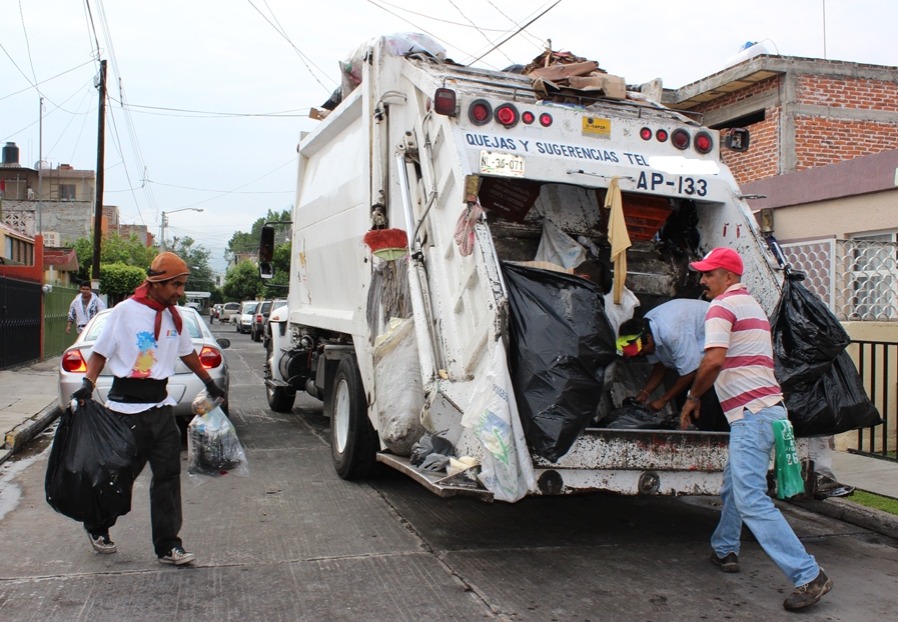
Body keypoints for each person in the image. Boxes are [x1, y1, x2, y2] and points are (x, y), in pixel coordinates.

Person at [679, 247, 831, 611]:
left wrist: (692, 396)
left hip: (751, 414)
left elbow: (713, 360)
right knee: (736, 485)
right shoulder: (752, 306)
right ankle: (725, 548)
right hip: (769, 412)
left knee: (750, 498)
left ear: (728, 277)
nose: (702, 280)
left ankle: (809, 574)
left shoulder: (721, 307)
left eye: (708, 273)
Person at [71, 252, 227, 566]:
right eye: (175, 285)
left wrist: (209, 382)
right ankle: (98, 525)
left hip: (160, 409)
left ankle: (168, 545)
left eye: (182, 285)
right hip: (125, 410)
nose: (179, 291)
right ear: (156, 282)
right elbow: (101, 352)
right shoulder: (124, 312)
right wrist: (88, 383)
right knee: (121, 477)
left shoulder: (174, 316)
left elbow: (187, 354)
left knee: (168, 476)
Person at [616, 299, 728, 431]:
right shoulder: (647, 326)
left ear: (648, 338)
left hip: (721, 353)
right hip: (697, 355)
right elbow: (661, 365)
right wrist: (644, 394)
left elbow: (690, 371)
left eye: (641, 350)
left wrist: (663, 400)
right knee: (683, 402)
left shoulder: (671, 333)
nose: (640, 355)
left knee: (702, 408)